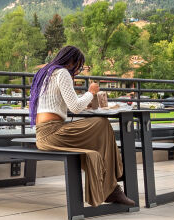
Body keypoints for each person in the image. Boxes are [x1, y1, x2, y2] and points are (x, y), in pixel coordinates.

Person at [29, 45, 135, 207]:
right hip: (54, 133)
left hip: (42, 135)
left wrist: (81, 99)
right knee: (102, 124)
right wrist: (91, 92)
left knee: (99, 134)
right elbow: (76, 108)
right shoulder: (62, 73)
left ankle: (113, 182)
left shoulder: (44, 73)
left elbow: (63, 103)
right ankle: (115, 179)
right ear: (72, 62)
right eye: (79, 66)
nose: (78, 70)